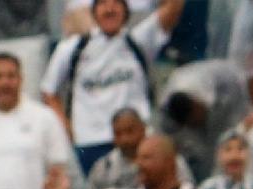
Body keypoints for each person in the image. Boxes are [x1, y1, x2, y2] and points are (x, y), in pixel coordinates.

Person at [43, 0, 184, 173]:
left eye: (116, 3)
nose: (109, 9)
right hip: (91, 141)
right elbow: (48, 92)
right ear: (93, 11)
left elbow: (173, 9)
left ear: (126, 10)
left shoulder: (139, 41)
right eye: (103, 4)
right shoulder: (72, 48)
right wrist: (67, 129)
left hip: (137, 138)